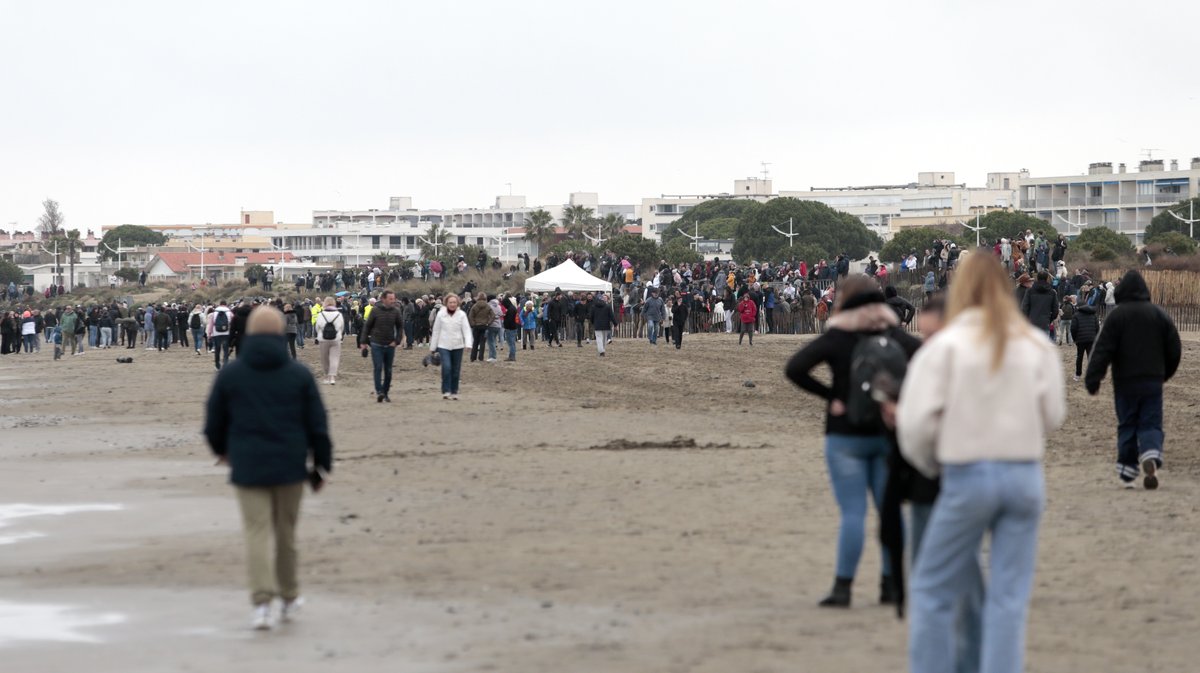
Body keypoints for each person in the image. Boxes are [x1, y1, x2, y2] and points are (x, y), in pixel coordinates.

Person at [898, 254, 1065, 673]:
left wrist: (933, 465)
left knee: (933, 590)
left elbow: (915, 424)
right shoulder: (1034, 344)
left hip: (968, 473)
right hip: (1024, 475)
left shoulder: (946, 347)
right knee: (1009, 598)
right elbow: (1053, 416)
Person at [785, 276, 922, 608]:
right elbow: (928, 362)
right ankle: (891, 585)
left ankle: (843, 587)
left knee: (852, 513)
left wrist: (832, 395)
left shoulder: (838, 335)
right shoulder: (895, 335)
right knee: (890, 512)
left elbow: (795, 368)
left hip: (845, 433)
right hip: (888, 435)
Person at [204, 306, 332, 631]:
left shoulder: (231, 373)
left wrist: (222, 451)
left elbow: (213, 423)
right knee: (286, 534)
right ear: (279, 333)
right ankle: (289, 597)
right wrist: (322, 466)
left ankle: (262, 603)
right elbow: (318, 425)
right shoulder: (299, 374)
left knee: (257, 533)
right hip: (290, 464)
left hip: (248, 464)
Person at [1085, 270, 1182, 489]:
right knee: (1151, 421)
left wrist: (1094, 379)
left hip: (1125, 381)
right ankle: (1150, 452)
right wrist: (1164, 373)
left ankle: (1128, 471)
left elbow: (1102, 350)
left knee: (1127, 423)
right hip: (1152, 380)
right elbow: (1174, 348)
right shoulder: (1158, 314)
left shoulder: (1117, 316)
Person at [360, 290, 405, 403]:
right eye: (390, 299)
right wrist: (363, 342)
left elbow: (400, 327)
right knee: (378, 368)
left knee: (388, 370)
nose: (393, 301)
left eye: (393, 299)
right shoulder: (375, 310)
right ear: (384, 299)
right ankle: (379, 391)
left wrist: (397, 341)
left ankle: (385, 392)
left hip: (390, 344)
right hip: (376, 343)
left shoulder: (396, 311)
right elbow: (367, 326)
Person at [430, 293, 472, 400]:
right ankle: (446, 390)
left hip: (458, 345)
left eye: (454, 302)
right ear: (446, 303)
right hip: (443, 345)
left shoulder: (461, 315)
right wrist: (433, 347)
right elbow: (436, 330)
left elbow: (466, 330)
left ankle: (454, 391)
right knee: (447, 367)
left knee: (455, 369)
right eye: (450, 302)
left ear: (457, 303)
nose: (452, 304)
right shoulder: (441, 314)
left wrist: (468, 344)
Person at [1019, 271, 1058, 340]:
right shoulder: (1052, 292)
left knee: (1032, 348)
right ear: (1047, 279)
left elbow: (1024, 308)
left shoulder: (1029, 291)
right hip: (1045, 323)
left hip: (1032, 323)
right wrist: (1049, 319)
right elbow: (1055, 310)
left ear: (1037, 278)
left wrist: (1028, 318)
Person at [315, 297, 345, 385]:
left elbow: (317, 327)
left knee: (324, 359)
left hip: (323, 339)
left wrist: (320, 334)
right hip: (336, 339)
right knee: (334, 358)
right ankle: (332, 378)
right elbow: (342, 327)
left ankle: (326, 376)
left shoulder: (321, 314)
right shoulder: (338, 314)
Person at [1070, 300, 1099, 383]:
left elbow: (1073, 329)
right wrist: (1095, 337)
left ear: (1078, 307)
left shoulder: (1076, 315)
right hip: (1092, 339)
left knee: (1079, 357)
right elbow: (1097, 327)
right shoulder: (1093, 314)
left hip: (1080, 340)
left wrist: (1075, 339)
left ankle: (1078, 375)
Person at [209, 300, 234, 370]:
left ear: (219, 304)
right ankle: (225, 364)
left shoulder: (214, 312)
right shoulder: (229, 312)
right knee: (225, 349)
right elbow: (233, 322)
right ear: (226, 305)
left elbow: (211, 324)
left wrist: (209, 333)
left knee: (217, 349)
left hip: (216, 333)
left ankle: (217, 365)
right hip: (226, 332)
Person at [590, 293, 616, 357]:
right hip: (606, 325)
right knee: (604, 339)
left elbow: (591, 316)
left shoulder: (594, 307)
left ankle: (601, 351)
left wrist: (593, 322)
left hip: (597, 325)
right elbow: (612, 316)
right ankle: (602, 350)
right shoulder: (608, 307)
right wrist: (615, 324)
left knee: (599, 338)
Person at [468, 292, 492, 362]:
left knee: (475, 342)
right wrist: (488, 323)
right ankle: (481, 357)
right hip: (484, 326)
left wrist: (473, 324)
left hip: (476, 326)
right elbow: (493, 315)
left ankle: (473, 357)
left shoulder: (475, 306)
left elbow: (470, 316)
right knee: (482, 342)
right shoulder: (487, 306)